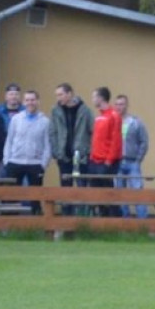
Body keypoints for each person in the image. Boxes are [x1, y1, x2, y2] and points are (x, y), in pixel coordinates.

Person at [50, 83, 95, 215]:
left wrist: (88, 151)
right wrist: (56, 152)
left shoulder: (85, 110)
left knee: (82, 187)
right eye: (57, 95)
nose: (58, 98)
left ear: (70, 94)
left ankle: (83, 216)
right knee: (65, 188)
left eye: (61, 94)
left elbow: (92, 131)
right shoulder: (55, 111)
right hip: (63, 156)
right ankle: (66, 216)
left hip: (81, 156)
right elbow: (52, 132)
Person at [3, 89, 51, 214]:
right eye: (27, 100)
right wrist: (7, 160)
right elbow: (9, 140)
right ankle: (10, 222)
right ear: (23, 102)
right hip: (15, 162)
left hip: (35, 164)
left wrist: (43, 164)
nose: (30, 103)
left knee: (35, 197)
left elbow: (48, 145)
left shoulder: (45, 122)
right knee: (11, 196)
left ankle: (35, 222)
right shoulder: (16, 119)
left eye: (33, 100)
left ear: (38, 101)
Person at [90, 86, 124, 216]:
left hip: (106, 162)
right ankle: (102, 218)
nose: (93, 99)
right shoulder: (99, 117)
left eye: (94, 97)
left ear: (101, 98)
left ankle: (115, 219)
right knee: (97, 194)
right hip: (95, 161)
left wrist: (109, 161)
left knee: (109, 193)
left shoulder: (113, 116)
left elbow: (116, 141)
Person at [115, 94, 150, 218]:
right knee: (119, 192)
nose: (119, 107)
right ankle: (124, 220)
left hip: (132, 161)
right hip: (117, 162)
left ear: (127, 105)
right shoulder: (113, 122)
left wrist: (138, 159)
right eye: (117, 104)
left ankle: (142, 221)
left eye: (122, 104)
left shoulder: (135, 122)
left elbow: (144, 141)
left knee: (137, 191)